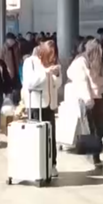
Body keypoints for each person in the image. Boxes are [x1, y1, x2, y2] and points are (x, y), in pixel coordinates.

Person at [22, 40, 62, 175]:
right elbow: (30, 83)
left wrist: (57, 75)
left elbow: (57, 84)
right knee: (37, 137)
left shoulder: (53, 63)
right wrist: (46, 73)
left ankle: (52, 164)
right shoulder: (30, 62)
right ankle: (37, 164)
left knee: (51, 136)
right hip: (36, 105)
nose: (52, 57)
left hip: (50, 104)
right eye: (50, 54)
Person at [67, 38, 103, 169]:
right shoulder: (81, 62)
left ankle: (92, 151)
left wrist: (97, 80)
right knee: (92, 128)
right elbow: (83, 82)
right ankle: (95, 156)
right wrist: (88, 98)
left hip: (99, 96)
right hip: (88, 99)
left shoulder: (98, 62)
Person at [1, 33, 22, 103]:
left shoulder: (16, 48)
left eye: (13, 41)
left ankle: (16, 102)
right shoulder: (3, 49)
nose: (12, 42)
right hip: (8, 73)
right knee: (9, 89)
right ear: (7, 40)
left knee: (17, 88)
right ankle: (9, 103)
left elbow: (19, 58)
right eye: (11, 41)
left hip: (17, 72)